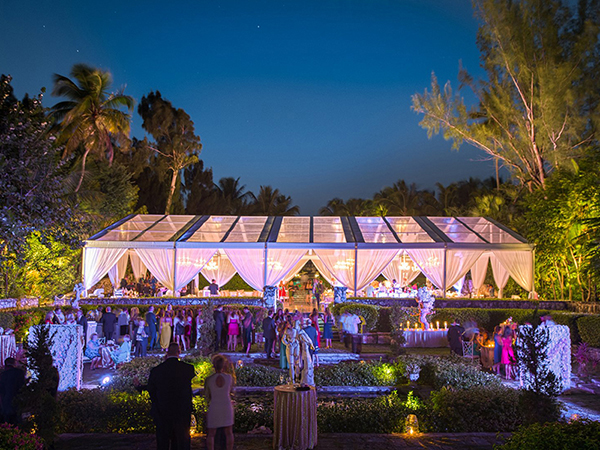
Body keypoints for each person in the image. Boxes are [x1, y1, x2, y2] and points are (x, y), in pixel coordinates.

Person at [147, 343, 196, 450]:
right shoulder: (188, 369)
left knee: (163, 441)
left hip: (163, 410)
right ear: (179, 352)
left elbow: (151, 390)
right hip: (182, 410)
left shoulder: (157, 370)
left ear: (167, 353)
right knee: (182, 441)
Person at [204, 354, 235, 450]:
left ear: (213, 365)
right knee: (229, 432)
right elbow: (230, 391)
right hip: (226, 406)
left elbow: (207, 396)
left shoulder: (209, 379)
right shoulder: (230, 378)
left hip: (214, 406)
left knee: (211, 434)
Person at [0, 357, 25, 424]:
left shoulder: (2, 375)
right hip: (16, 404)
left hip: (4, 406)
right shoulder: (20, 373)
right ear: (15, 363)